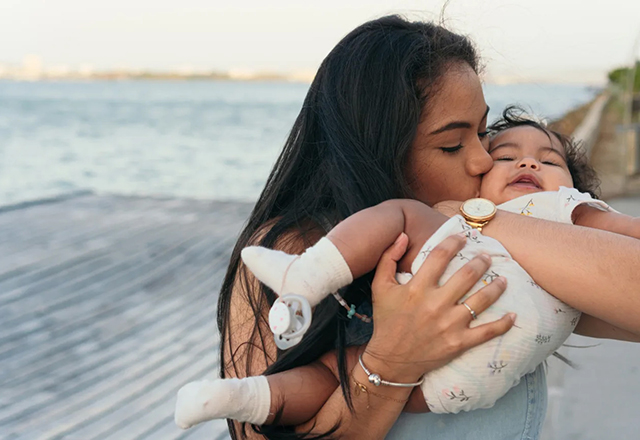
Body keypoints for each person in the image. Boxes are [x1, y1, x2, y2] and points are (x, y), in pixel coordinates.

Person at [205, 15, 640, 440]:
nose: (484, 159)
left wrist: (481, 219)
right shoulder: (291, 249)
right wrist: (391, 362)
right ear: (377, 152)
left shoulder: (502, 254)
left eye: (483, 133)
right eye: (452, 144)